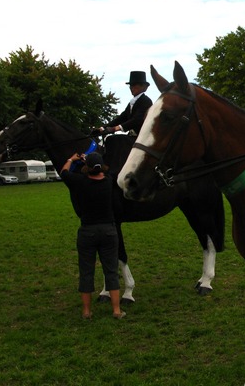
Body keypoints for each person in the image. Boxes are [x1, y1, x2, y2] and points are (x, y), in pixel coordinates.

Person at [60, 151, 126, 320]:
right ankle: (117, 310)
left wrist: (72, 159)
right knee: (111, 271)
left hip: (87, 231)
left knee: (86, 271)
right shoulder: (108, 181)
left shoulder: (79, 182)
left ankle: (87, 311)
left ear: (87, 167)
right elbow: (108, 172)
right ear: (102, 167)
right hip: (108, 231)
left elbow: (64, 173)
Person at [96, 71, 153, 135]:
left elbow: (137, 120)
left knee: (113, 140)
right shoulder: (132, 103)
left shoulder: (146, 101)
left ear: (143, 87)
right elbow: (121, 118)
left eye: (134, 85)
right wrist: (103, 128)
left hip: (142, 137)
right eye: (130, 85)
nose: (131, 88)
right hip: (132, 136)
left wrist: (116, 128)